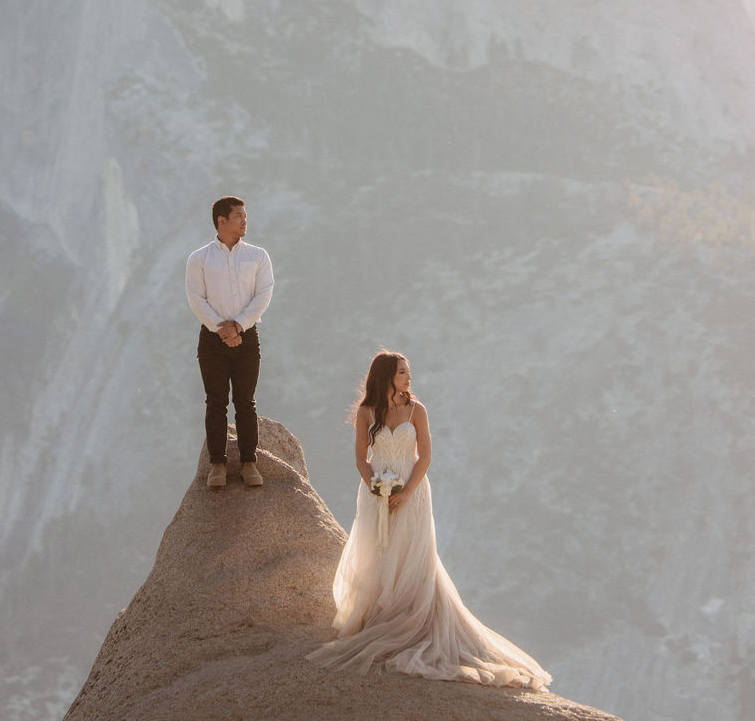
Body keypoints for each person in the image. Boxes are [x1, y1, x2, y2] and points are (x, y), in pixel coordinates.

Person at [308, 350, 551, 688]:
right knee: (376, 550)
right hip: (375, 494)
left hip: (413, 491)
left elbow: (425, 457)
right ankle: (376, 617)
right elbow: (362, 459)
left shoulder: (416, 410)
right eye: (402, 373)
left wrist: (405, 492)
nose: (408, 378)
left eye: (408, 372)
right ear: (385, 376)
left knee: (411, 553)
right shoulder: (367, 412)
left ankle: (411, 617)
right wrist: (375, 487)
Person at [185, 196, 274, 489]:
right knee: (216, 401)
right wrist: (220, 329)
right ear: (221, 220)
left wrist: (237, 326)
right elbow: (197, 299)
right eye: (239, 216)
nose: (244, 220)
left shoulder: (258, 256)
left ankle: (249, 462)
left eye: (245, 215)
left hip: (247, 337)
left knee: (245, 402)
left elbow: (264, 295)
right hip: (212, 339)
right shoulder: (199, 258)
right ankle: (217, 465)